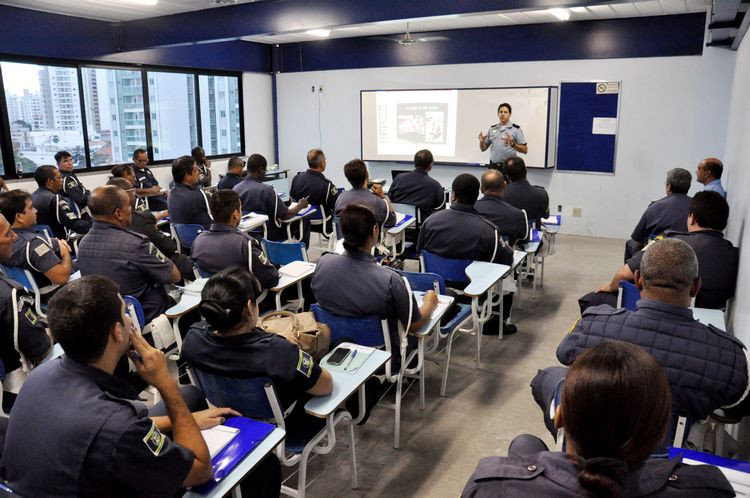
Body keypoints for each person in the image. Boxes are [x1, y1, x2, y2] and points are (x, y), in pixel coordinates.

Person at [0, 275, 249, 497]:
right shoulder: (117, 428)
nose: (129, 318)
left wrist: (187, 420)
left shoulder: (40, 375)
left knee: (190, 395)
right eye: (124, 312)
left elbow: (108, 429)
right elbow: (199, 470)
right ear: (118, 332)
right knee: (261, 470)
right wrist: (165, 383)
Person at [463, 341, 734, 497]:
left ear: (559, 416)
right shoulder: (710, 490)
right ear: (660, 428)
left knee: (524, 445)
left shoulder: (491, 486)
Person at [555, 238, 749, 429]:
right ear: (696, 287)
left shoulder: (592, 325)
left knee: (550, 377)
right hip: (668, 456)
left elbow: (563, 353)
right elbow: (738, 405)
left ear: (638, 280)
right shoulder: (730, 357)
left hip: (596, 445)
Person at [181, 267, 332, 413]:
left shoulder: (193, 339)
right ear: (249, 308)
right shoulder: (278, 352)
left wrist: (274, 338)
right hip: (283, 424)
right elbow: (326, 386)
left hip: (227, 414)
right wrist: (283, 346)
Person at [580, 191, 739, 312]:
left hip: (663, 312)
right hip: (711, 316)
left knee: (593, 299)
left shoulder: (670, 241)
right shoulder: (733, 254)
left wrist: (611, 286)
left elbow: (624, 273)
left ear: (692, 218)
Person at [313, 204, 438, 350]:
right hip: (383, 354)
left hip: (334, 345)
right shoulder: (391, 280)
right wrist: (430, 302)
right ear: (375, 230)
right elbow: (414, 325)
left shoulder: (322, 264)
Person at [418, 173, 515, 333]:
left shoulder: (430, 222)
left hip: (435, 285)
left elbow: (420, 252)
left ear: (453, 195)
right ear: (477, 196)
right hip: (472, 289)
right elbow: (506, 262)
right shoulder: (488, 230)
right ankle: (496, 323)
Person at [77, 186, 182, 322]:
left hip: (104, 317)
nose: (131, 210)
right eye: (129, 206)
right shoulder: (136, 243)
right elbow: (174, 275)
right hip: (143, 315)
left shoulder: (83, 243)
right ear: (118, 213)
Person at [0, 213, 52, 390]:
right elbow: (40, 348)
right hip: (18, 386)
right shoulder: (10, 296)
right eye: (7, 234)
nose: (14, 237)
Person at [107, 177, 195, 279]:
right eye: (132, 190)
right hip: (144, 274)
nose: (134, 193)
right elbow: (166, 247)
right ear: (124, 194)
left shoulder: (87, 239)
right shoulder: (140, 219)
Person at [191, 189, 279, 288]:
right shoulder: (245, 243)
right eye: (241, 209)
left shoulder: (197, 241)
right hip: (243, 299)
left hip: (214, 296)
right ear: (235, 214)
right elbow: (269, 278)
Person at [0, 189, 73, 287]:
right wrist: (65, 253)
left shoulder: (6, 244)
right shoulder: (34, 243)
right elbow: (61, 278)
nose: (35, 210)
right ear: (19, 217)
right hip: (54, 294)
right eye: (31, 208)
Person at [234, 153, 310, 243]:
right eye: (265, 171)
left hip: (244, 234)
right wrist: (300, 205)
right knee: (304, 220)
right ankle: (300, 252)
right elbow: (286, 215)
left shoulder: (235, 188)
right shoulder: (267, 190)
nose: (265, 174)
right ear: (260, 170)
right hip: (267, 235)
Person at [624, 167, 692, 261]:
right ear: (688, 186)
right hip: (689, 257)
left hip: (658, 258)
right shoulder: (698, 207)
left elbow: (637, 238)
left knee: (631, 243)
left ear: (669, 186)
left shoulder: (654, 207)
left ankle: (632, 273)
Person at [30, 165, 91, 240]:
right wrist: (94, 225)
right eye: (59, 178)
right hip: (58, 243)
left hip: (40, 240)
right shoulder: (55, 199)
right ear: (50, 181)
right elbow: (75, 224)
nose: (62, 180)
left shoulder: (31, 197)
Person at [334, 158, 395, 228]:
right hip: (369, 239)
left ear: (348, 179)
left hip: (345, 238)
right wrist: (383, 196)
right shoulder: (377, 202)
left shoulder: (341, 198)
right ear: (367, 174)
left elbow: (337, 220)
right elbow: (392, 221)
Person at [475, 168, 527, 246]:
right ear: (504, 185)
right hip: (504, 257)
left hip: (473, 256)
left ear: (481, 188)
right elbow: (523, 238)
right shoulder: (517, 215)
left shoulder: (469, 210)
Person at [290, 149, 340, 229]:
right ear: (322, 164)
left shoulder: (296, 178)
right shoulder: (326, 185)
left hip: (300, 222)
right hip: (323, 224)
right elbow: (337, 205)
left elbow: (293, 198)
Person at [387, 149, 445, 216]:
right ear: (430, 165)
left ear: (414, 162)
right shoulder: (435, 185)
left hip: (399, 221)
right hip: (422, 224)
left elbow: (389, 199)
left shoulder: (398, 178)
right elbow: (440, 210)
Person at [502, 156, 549, 232]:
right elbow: (546, 216)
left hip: (510, 239)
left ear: (507, 176)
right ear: (526, 169)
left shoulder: (501, 195)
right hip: (533, 236)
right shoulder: (542, 193)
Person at [167, 155, 213, 229]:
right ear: (187, 177)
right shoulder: (198, 195)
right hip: (205, 236)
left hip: (184, 238)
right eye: (196, 169)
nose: (199, 171)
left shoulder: (171, 194)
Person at [478, 102, 528, 169]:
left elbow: (525, 150)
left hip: (510, 167)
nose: (503, 114)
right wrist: (481, 142)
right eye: (501, 112)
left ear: (510, 114)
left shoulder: (516, 129)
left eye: (505, 112)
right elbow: (483, 148)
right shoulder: (492, 129)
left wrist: (513, 144)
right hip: (494, 166)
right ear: (498, 114)